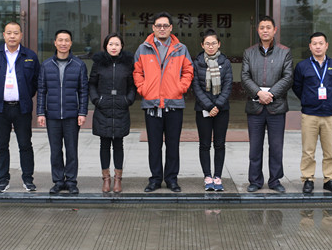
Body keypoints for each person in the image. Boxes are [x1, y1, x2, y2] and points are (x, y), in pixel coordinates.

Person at [133, 12, 194, 193]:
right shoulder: (143, 48)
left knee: (173, 145)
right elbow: (137, 72)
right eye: (158, 25)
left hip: (174, 103)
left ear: (171, 28)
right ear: (153, 28)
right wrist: (143, 89)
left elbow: (188, 71)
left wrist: (180, 88)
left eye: (165, 26)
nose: (162, 29)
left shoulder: (181, 48)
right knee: (154, 145)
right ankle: (155, 179)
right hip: (152, 104)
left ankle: (172, 179)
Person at [0, 21, 40, 193]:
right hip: (0, 108)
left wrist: (25, 95)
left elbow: (35, 81)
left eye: (15, 33)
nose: (12, 36)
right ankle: (3, 180)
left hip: (22, 108)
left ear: (21, 35)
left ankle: (28, 179)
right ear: (4, 35)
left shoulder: (30, 55)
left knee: (25, 144)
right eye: (9, 33)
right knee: (1, 145)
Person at [241, 15, 293, 193]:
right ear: (258, 30)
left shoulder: (284, 52)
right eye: (262, 27)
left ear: (274, 30)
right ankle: (255, 181)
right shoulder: (249, 52)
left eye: (268, 27)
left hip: (276, 107)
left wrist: (270, 94)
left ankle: (275, 180)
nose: (265, 30)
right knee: (255, 147)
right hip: (255, 107)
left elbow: (288, 77)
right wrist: (258, 93)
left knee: (276, 147)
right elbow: (245, 77)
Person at [37, 29, 88, 195]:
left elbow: (83, 91)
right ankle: (58, 181)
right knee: (55, 150)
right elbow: (41, 90)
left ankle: (71, 181)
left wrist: (82, 112)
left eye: (66, 40)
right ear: (55, 43)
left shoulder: (79, 65)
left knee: (72, 150)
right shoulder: (46, 65)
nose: (63, 43)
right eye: (60, 40)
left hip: (71, 115)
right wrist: (40, 113)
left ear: (71, 43)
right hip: (52, 115)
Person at [292, 31, 332, 194]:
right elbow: (297, 87)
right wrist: (308, 99)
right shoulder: (302, 66)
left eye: (321, 43)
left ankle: (330, 179)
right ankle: (308, 179)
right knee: (308, 150)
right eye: (314, 44)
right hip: (310, 115)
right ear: (310, 46)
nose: (318, 46)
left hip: (329, 115)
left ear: (326, 45)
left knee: (330, 151)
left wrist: (328, 100)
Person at [89, 33, 136, 193]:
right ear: (106, 46)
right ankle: (106, 179)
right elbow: (92, 84)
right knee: (104, 144)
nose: (113, 47)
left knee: (118, 144)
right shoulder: (98, 63)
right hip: (103, 108)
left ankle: (118, 179)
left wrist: (128, 100)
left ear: (121, 46)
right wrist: (97, 100)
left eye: (117, 44)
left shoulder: (128, 64)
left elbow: (132, 86)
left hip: (121, 108)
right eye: (110, 44)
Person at [191, 29, 233, 192]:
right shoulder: (197, 63)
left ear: (219, 44)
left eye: (213, 43)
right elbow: (196, 87)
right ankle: (207, 176)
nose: (210, 46)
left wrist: (218, 105)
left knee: (220, 144)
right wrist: (209, 106)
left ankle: (218, 176)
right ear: (202, 45)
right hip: (203, 109)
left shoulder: (225, 62)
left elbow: (228, 85)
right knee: (204, 144)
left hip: (222, 110)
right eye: (207, 43)